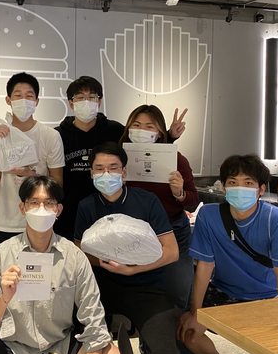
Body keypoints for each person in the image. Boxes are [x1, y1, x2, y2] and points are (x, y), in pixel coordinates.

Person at [0, 175, 129, 354]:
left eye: (49, 203)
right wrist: (4, 298)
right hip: (13, 349)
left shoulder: (74, 256)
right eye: (34, 203)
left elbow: (94, 319)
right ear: (23, 209)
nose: (41, 209)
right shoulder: (1, 255)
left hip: (61, 346)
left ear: (58, 210)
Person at [178, 154, 278, 354]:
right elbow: (204, 268)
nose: (240, 188)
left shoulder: (276, 219)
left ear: (261, 189)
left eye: (248, 183)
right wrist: (195, 311)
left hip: (266, 296)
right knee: (189, 333)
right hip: (223, 291)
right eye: (232, 182)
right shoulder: (209, 216)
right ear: (224, 187)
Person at [74, 142, 181, 354]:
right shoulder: (86, 206)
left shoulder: (147, 201)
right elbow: (79, 251)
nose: (106, 174)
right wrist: (104, 262)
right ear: (91, 173)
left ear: (124, 172)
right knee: (77, 347)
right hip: (100, 286)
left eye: (113, 168)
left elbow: (172, 252)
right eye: (99, 168)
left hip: (146, 287)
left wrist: (133, 269)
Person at [55, 76, 187, 240]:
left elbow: (142, 145)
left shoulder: (114, 130)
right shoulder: (57, 135)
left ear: (100, 101)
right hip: (71, 212)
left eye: (92, 97)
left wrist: (169, 136)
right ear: (71, 103)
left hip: (112, 209)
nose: (86, 102)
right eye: (80, 98)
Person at [119, 105, 198, 310]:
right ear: (128, 129)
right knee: (141, 297)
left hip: (173, 232)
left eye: (149, 126)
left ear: (159, 132)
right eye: (136, 125)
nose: (142, 130)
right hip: (134, 235)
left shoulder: (176, 160)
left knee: (177, 293)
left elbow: (193, 200)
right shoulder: (120, 160)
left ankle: (176, 338)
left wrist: (179, 192)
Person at [0, 72, 64, 250]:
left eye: (29, 96)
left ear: (37, 101)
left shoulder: (50, 136)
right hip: (1, 222)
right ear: (8, 100)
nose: (23, 101)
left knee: (39, 275)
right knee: (3, 276)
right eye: (18, 96)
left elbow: (57, 184)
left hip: (39, 221)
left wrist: (33, 177)